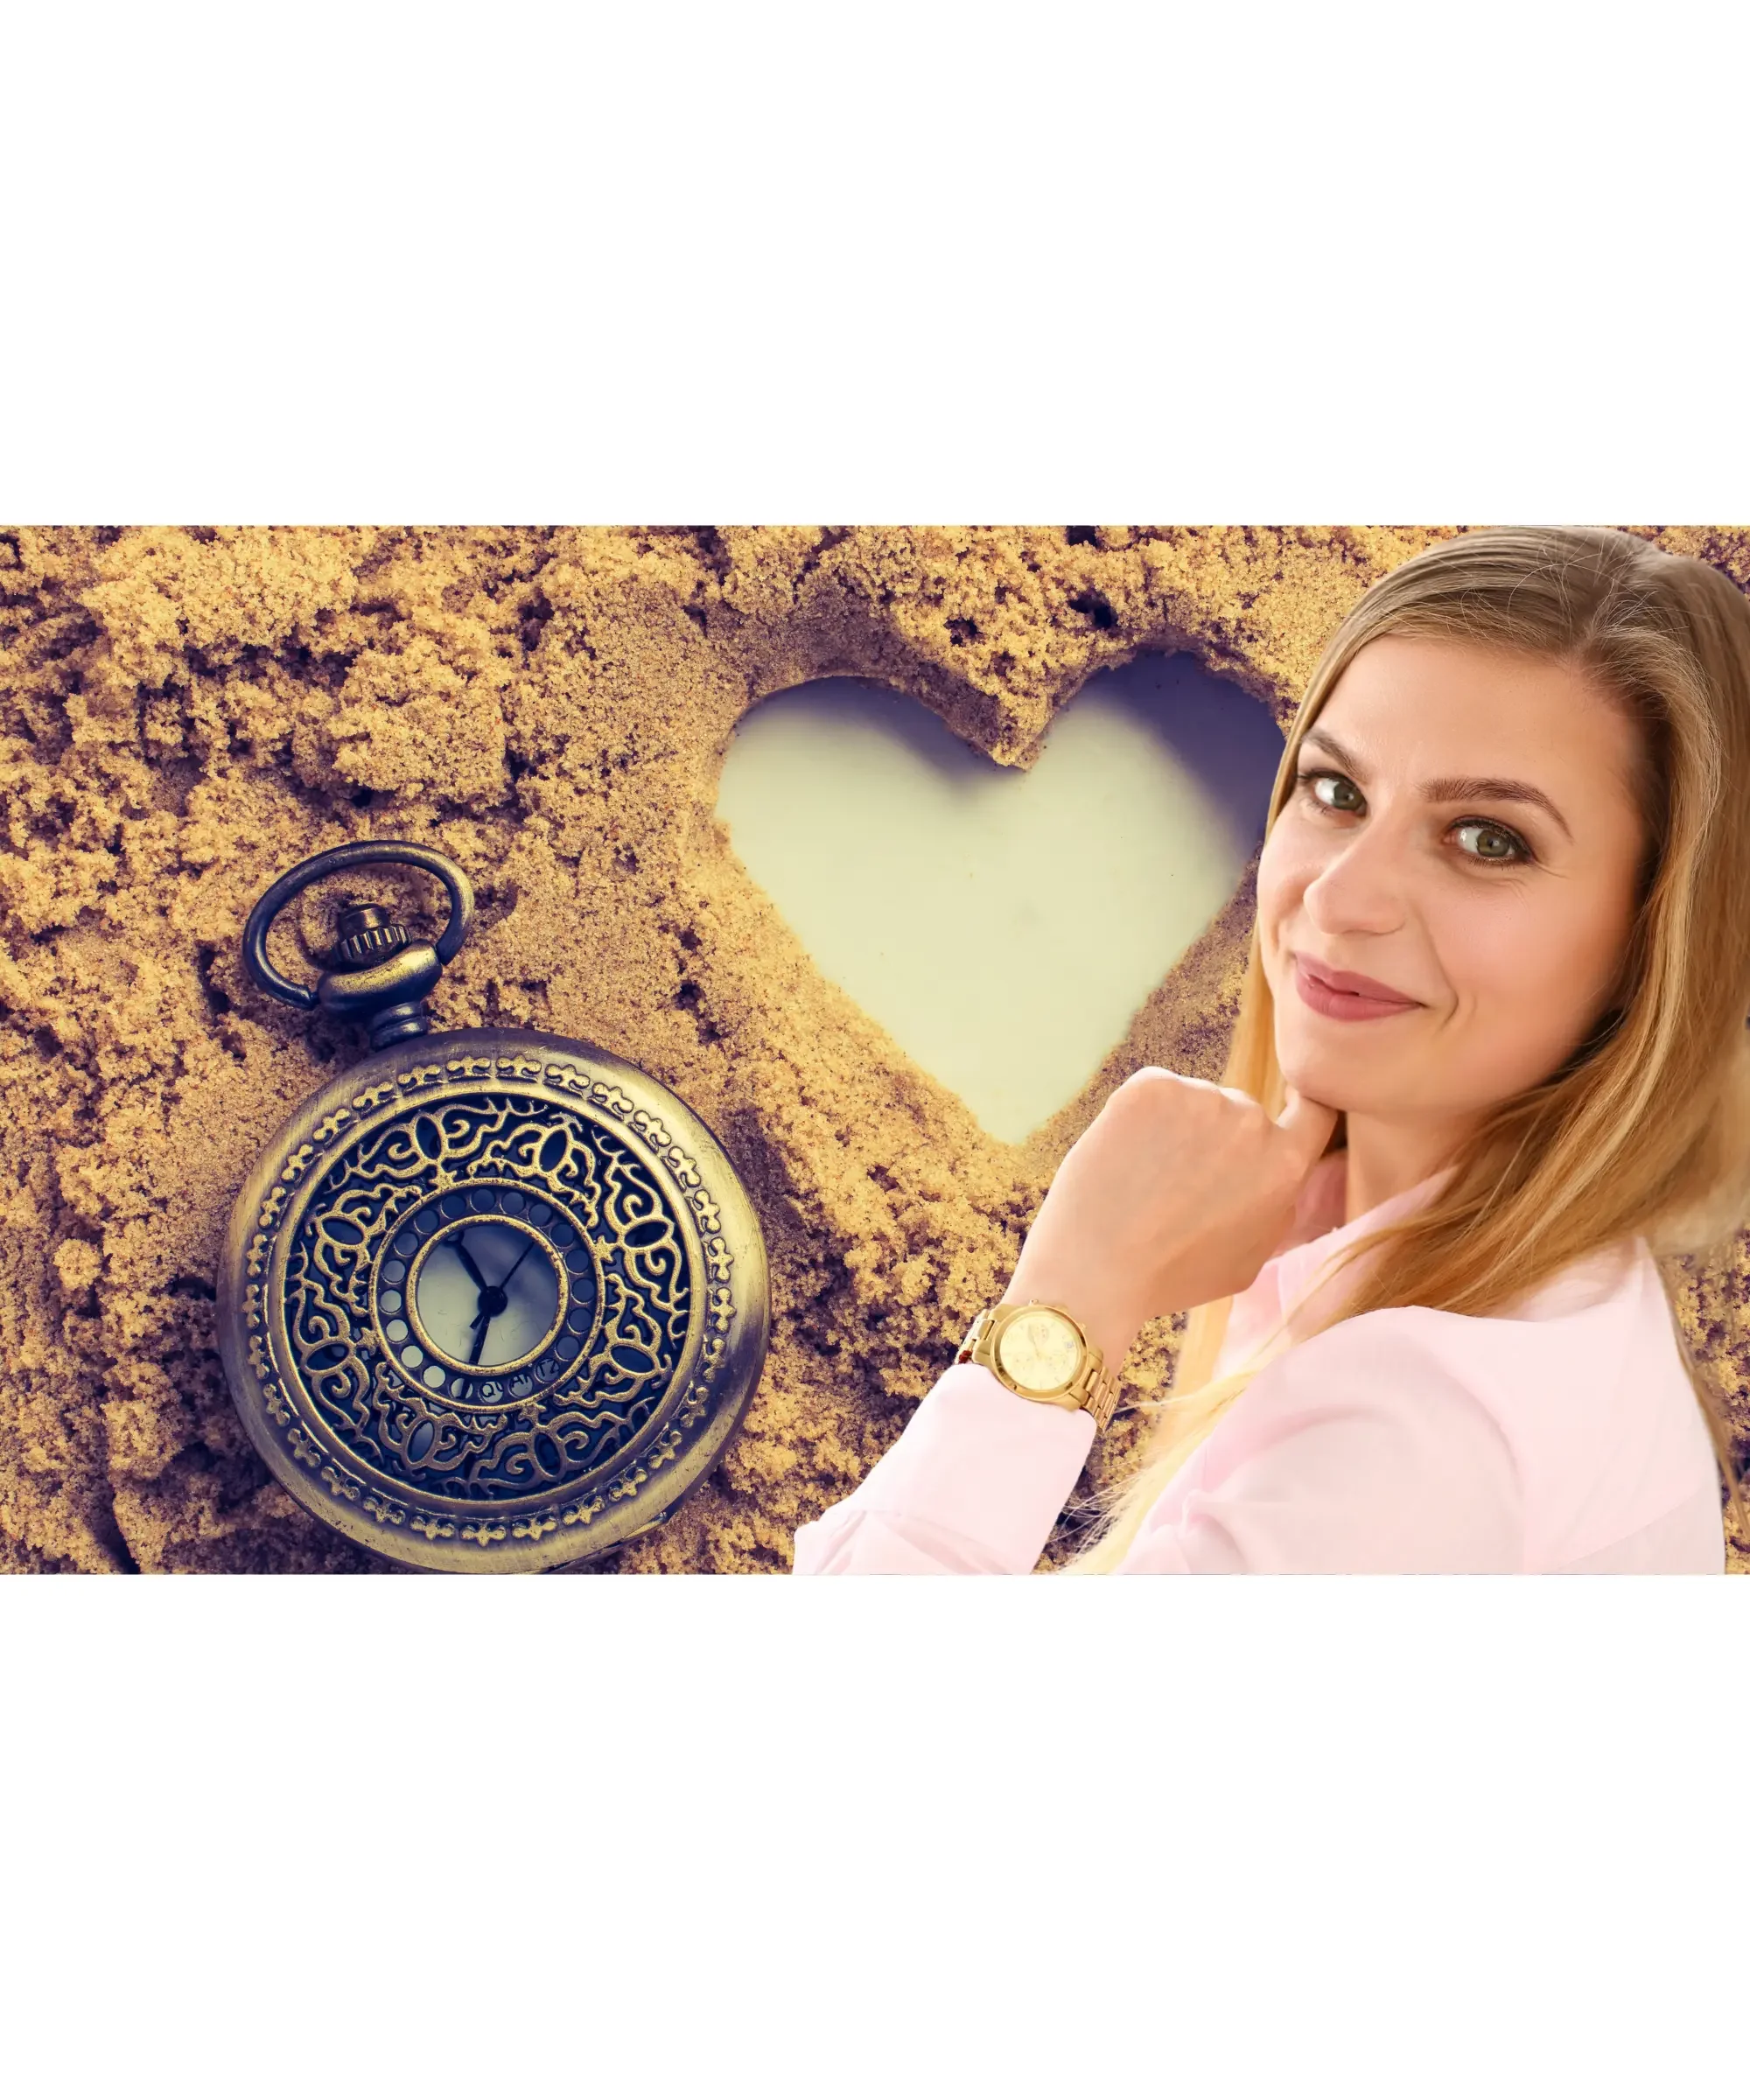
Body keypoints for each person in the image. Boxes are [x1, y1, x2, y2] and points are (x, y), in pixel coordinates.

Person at [791, 526, 1750, 1575]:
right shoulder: (1491, 1288)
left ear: (1656, 941)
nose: (1336, 898)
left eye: (1487, 838)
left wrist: (1065, 1304)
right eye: (1336, 792)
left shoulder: (1417, 1429)